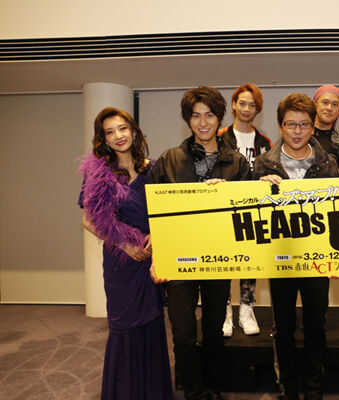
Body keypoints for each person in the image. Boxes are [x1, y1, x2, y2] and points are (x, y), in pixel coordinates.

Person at [150, 86, 251, 400]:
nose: (203, 122)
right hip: (179, 259)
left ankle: (213, 388)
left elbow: (248, 212)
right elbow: (155, 213)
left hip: (218, 258)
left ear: (219, 118)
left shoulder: (237, 163)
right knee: (182, 333)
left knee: (213, 331)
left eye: (209, 115)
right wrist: (157, 257)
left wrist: (227, 194)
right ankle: (193, 393)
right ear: (188, 120)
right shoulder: (169, 159)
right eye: (196, 116)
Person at [78, 107, 173, 400]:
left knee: (153, 322)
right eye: (110, 132)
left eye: (122, 128)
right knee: (124, 326)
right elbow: (88, 220)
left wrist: (158, 236)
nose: (118, 136)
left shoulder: (153, 169)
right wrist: (124, 244)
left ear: (133, 131)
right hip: (121, 262)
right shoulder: (99, 174)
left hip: (151, 258)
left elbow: (167, 211)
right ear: (103, 139)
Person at [253, 93, 339, 400]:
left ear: (313, 127)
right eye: (291, 124)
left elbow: (337, 211)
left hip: (317, 259)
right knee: (284, 327)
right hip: (280, 260)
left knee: (316, 326)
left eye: (304, 124)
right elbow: (250, 212)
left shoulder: (328, 163)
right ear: (280, 126)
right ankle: (288, 389)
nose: (297, 131)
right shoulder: (264, 164)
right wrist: (260, 189)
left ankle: (314, 391)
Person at [218, 83, 272, 336]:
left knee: (251, 262)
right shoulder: (220, 137)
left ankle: (246, 309)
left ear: (258, 109)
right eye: (242, 103)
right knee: (225, 261)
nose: (247, 109)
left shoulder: (264, 142)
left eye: (252, 105)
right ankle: (225, 311)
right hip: (224, 209)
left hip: (253, 210)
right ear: (233, 105)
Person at [312, 84, 339, 168]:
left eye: (334, 104)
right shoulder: (302, 135)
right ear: (314, 104)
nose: (329, 108)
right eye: (325, 102)